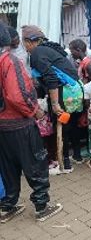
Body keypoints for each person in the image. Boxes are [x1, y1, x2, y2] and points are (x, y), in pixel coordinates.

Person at [0, 21, 62, 223]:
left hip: (3, 127)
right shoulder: (9, 62)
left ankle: (7, 206)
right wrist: (35, 111)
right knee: (35, 163)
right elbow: (17, 96)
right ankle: (42, 206)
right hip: (19, 123)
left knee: (8, 167)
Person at [22, 25, 84, 174]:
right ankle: (75, 157)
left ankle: (63, 164)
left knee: (60, 125)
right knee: (71, 125)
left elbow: (51, 78)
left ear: (29, 42)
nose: (24, 47)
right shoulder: (47, 49)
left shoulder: (37, 53)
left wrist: (55, 104)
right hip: (75, 89)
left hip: (64, 91)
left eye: (24, 43)